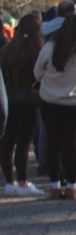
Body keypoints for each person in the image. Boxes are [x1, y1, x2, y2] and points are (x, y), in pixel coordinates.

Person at [33, 15, 76, 200]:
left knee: (53, 143)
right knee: (72, 144)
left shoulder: (49, 48)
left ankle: (54, 186)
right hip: (74, 103)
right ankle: (72, 186)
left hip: (49, 101)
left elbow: (37, 73)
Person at [0, 13, 45, 197]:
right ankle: (23, 182)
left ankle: (9, 181)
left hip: (9, 99)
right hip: (30, 101)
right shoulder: (37, 50)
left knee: (7, 140)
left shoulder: (8, 49)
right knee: (24, 144)